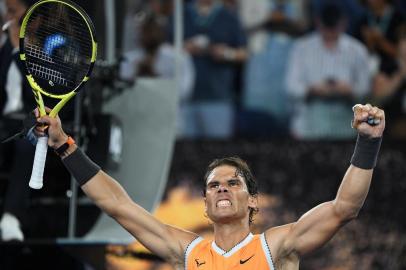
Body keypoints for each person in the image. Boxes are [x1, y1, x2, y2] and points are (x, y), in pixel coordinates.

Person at [34, 102, 385, 269]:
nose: (222, 189)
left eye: (233, 183)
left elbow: (344, 209)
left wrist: (368, 142)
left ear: (252, 201)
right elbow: (117, 205)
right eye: (214, 185)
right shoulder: (187, 252)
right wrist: (66, 145)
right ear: (204, 203)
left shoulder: (277, 247)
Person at [286, 2, 371, 139]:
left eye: (334, 28)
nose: (330, 33)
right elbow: (291, 86)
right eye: (327, 28)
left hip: (345, 126)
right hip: (309, 126)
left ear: (344, 23)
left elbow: (365, 89)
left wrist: (349, 90)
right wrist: (311, 89)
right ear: (318, 22)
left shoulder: (357, 50)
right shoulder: (301, 48)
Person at [0, 0, 38, 241]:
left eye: (14, 12)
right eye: (8, 12)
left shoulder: (47, 48)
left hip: (30, 122)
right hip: (4, 120)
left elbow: (36, 92)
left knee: (27, 145)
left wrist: (18, 50)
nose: (9, 18)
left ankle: (11, 218)